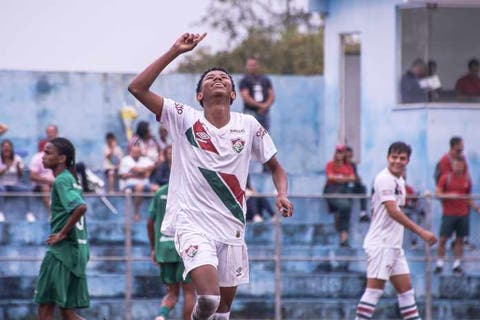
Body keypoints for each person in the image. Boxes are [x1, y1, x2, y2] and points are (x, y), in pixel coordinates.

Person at [128, 32, 293, 320]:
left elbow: (276, 167)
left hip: (231, 227)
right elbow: (137, 88)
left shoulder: (249, 125)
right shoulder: (184, 118)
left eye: (224, 78)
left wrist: (282, 193)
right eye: (210, 78)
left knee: (222, 312)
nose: (218, 78)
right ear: (199, 95)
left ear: (232, 94)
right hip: (193, 224)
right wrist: (175, 51)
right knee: (207, 299)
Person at [355, 142, 437, 320]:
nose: (398, 161)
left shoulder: (399, 180)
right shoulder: (384, 178)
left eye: (402, 158)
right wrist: (421, 232)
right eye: (394, 157)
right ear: (387, 158)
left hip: (394, 246)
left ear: (408, 160)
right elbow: (392, 211)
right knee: (373, 292)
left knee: (406, 292)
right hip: (381, 244)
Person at [33, 137, 89, 320]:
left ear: (61, 158)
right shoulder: (72, 179)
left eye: (48, 153)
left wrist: (61, 234)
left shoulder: (61, 181)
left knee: (45, 307)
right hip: (78, 250)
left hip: (61, 252)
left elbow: (80, 207)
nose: (43, 156)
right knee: (67, 311)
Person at [147, 184, 195, 320]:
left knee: (172, 292)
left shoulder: (160, 192)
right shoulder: (190, 189)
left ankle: (161, 316)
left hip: (164, 247)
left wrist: (153, 248)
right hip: (185, 246)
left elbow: (149, 222)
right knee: (189, 292)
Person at [434, 156, 480, 276]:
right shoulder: (445, 178)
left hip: (463, 214)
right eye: (456, 164)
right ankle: (439, 265)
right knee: (443, 239)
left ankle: (457, 265)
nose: (458, 166)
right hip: (448, 213)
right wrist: (451, 195)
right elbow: (438, 193)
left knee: (459, 240)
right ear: (453, 165)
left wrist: (476, 208)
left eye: (461, 164)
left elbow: (468, 197)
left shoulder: (467, 180)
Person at [323, 144, 356, 247]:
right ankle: (343, 234)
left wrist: (339, 178)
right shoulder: (330, 164)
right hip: (332, 191)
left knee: (347, 205)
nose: (339, 154)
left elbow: (352, 178)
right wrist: (344, 178)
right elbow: (330, 177)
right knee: (345, 206)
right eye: (338, 152)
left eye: (341, 152)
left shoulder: (348, 166)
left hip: (343, 191)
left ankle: (344, 236)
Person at [119, 144, 156, 221]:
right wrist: (142, 172)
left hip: (146, 184)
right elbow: (139, 171)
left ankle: (155, 214)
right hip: (129, 185)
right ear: (130, 152)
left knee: (158, 189)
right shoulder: (126, 160)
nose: (135, 153)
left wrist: (129, 175)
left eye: (137, 152)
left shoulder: (145, 160)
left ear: (140, 152)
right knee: (139, 187)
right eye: (134, 152)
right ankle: (136, 212)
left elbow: (149, 171)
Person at [239, 57, 275, 131]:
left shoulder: (265, 79)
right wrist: (261, 106)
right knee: (249, 136)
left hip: (264, 113)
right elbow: (246, 98)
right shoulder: (244, 80)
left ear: (257, 66)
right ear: (246, 66)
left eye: (254, 65)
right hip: (250, 113)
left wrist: (265, 106)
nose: (252, 67)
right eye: (250, 65)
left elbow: (271, 95)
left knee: (264, 136)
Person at [29, 140, 55, 215]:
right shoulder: (37, 157)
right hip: (41, 184)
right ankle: (51, 213)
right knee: (46, 187)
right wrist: (48, 181)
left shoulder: (54, 157)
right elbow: (32, 176)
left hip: (54, 182)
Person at [344, 146, 370, 222]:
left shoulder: (352, 165)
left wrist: (358, 179)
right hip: (344, 187)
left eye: (350, 156)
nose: (349, 158)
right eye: (347, 156)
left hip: (352, 185)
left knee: (362, 187)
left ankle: (363, 213)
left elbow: (355, 176)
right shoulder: (341, 164)